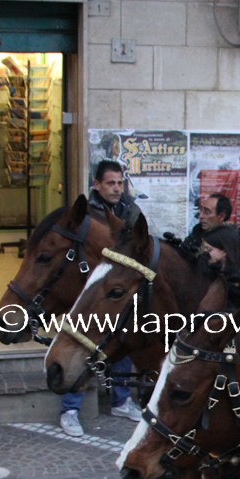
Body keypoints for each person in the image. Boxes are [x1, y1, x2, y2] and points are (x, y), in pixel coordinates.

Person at [59, 160, 140, 437]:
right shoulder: (84, 214)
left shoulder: (130, 210)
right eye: (110, 183)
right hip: (90, 290)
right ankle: (70, 409)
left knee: (121, 343)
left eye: (120, 183)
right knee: (82, 346)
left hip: (117, 291)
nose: (116, 188)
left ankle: (121, 401)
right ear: (97, 185)